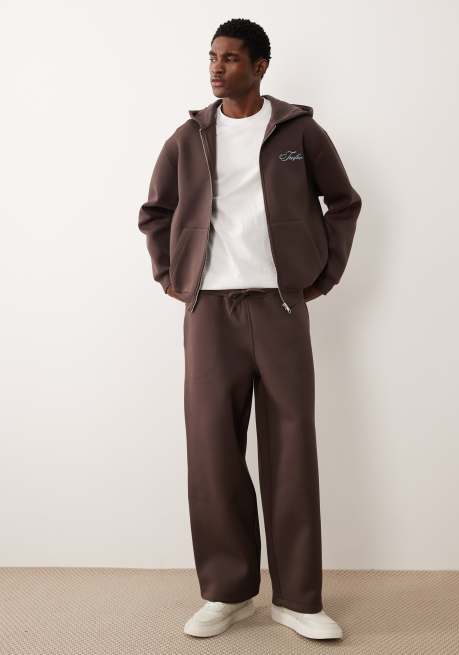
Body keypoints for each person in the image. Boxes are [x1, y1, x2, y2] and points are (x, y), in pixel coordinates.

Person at [138, 17, 362, 641]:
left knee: (291, 448)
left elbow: (344, 202)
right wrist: (173, 276)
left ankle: (298, 598)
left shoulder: (300, 133)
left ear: (260, 66)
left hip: (280, 308)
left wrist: (322, 276)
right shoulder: (189, 137)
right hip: (209, 312)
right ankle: (228, 592)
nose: (217, 67)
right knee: (212, 451)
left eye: (231, 58)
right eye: (212, 57)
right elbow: (155, 212)